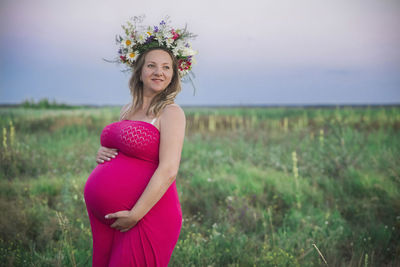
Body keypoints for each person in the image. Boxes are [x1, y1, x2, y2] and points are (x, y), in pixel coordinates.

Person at [83, 17, 197, 266]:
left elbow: (168, 170)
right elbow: (124, 150)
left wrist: (135, 214)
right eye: (152, 66)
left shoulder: (171, 112)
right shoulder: (127, 109)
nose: (159, 72)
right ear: (140, 71)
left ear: (173, 74)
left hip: (148, 216)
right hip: (108, 217)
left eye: (167, 67)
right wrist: (103, 152)